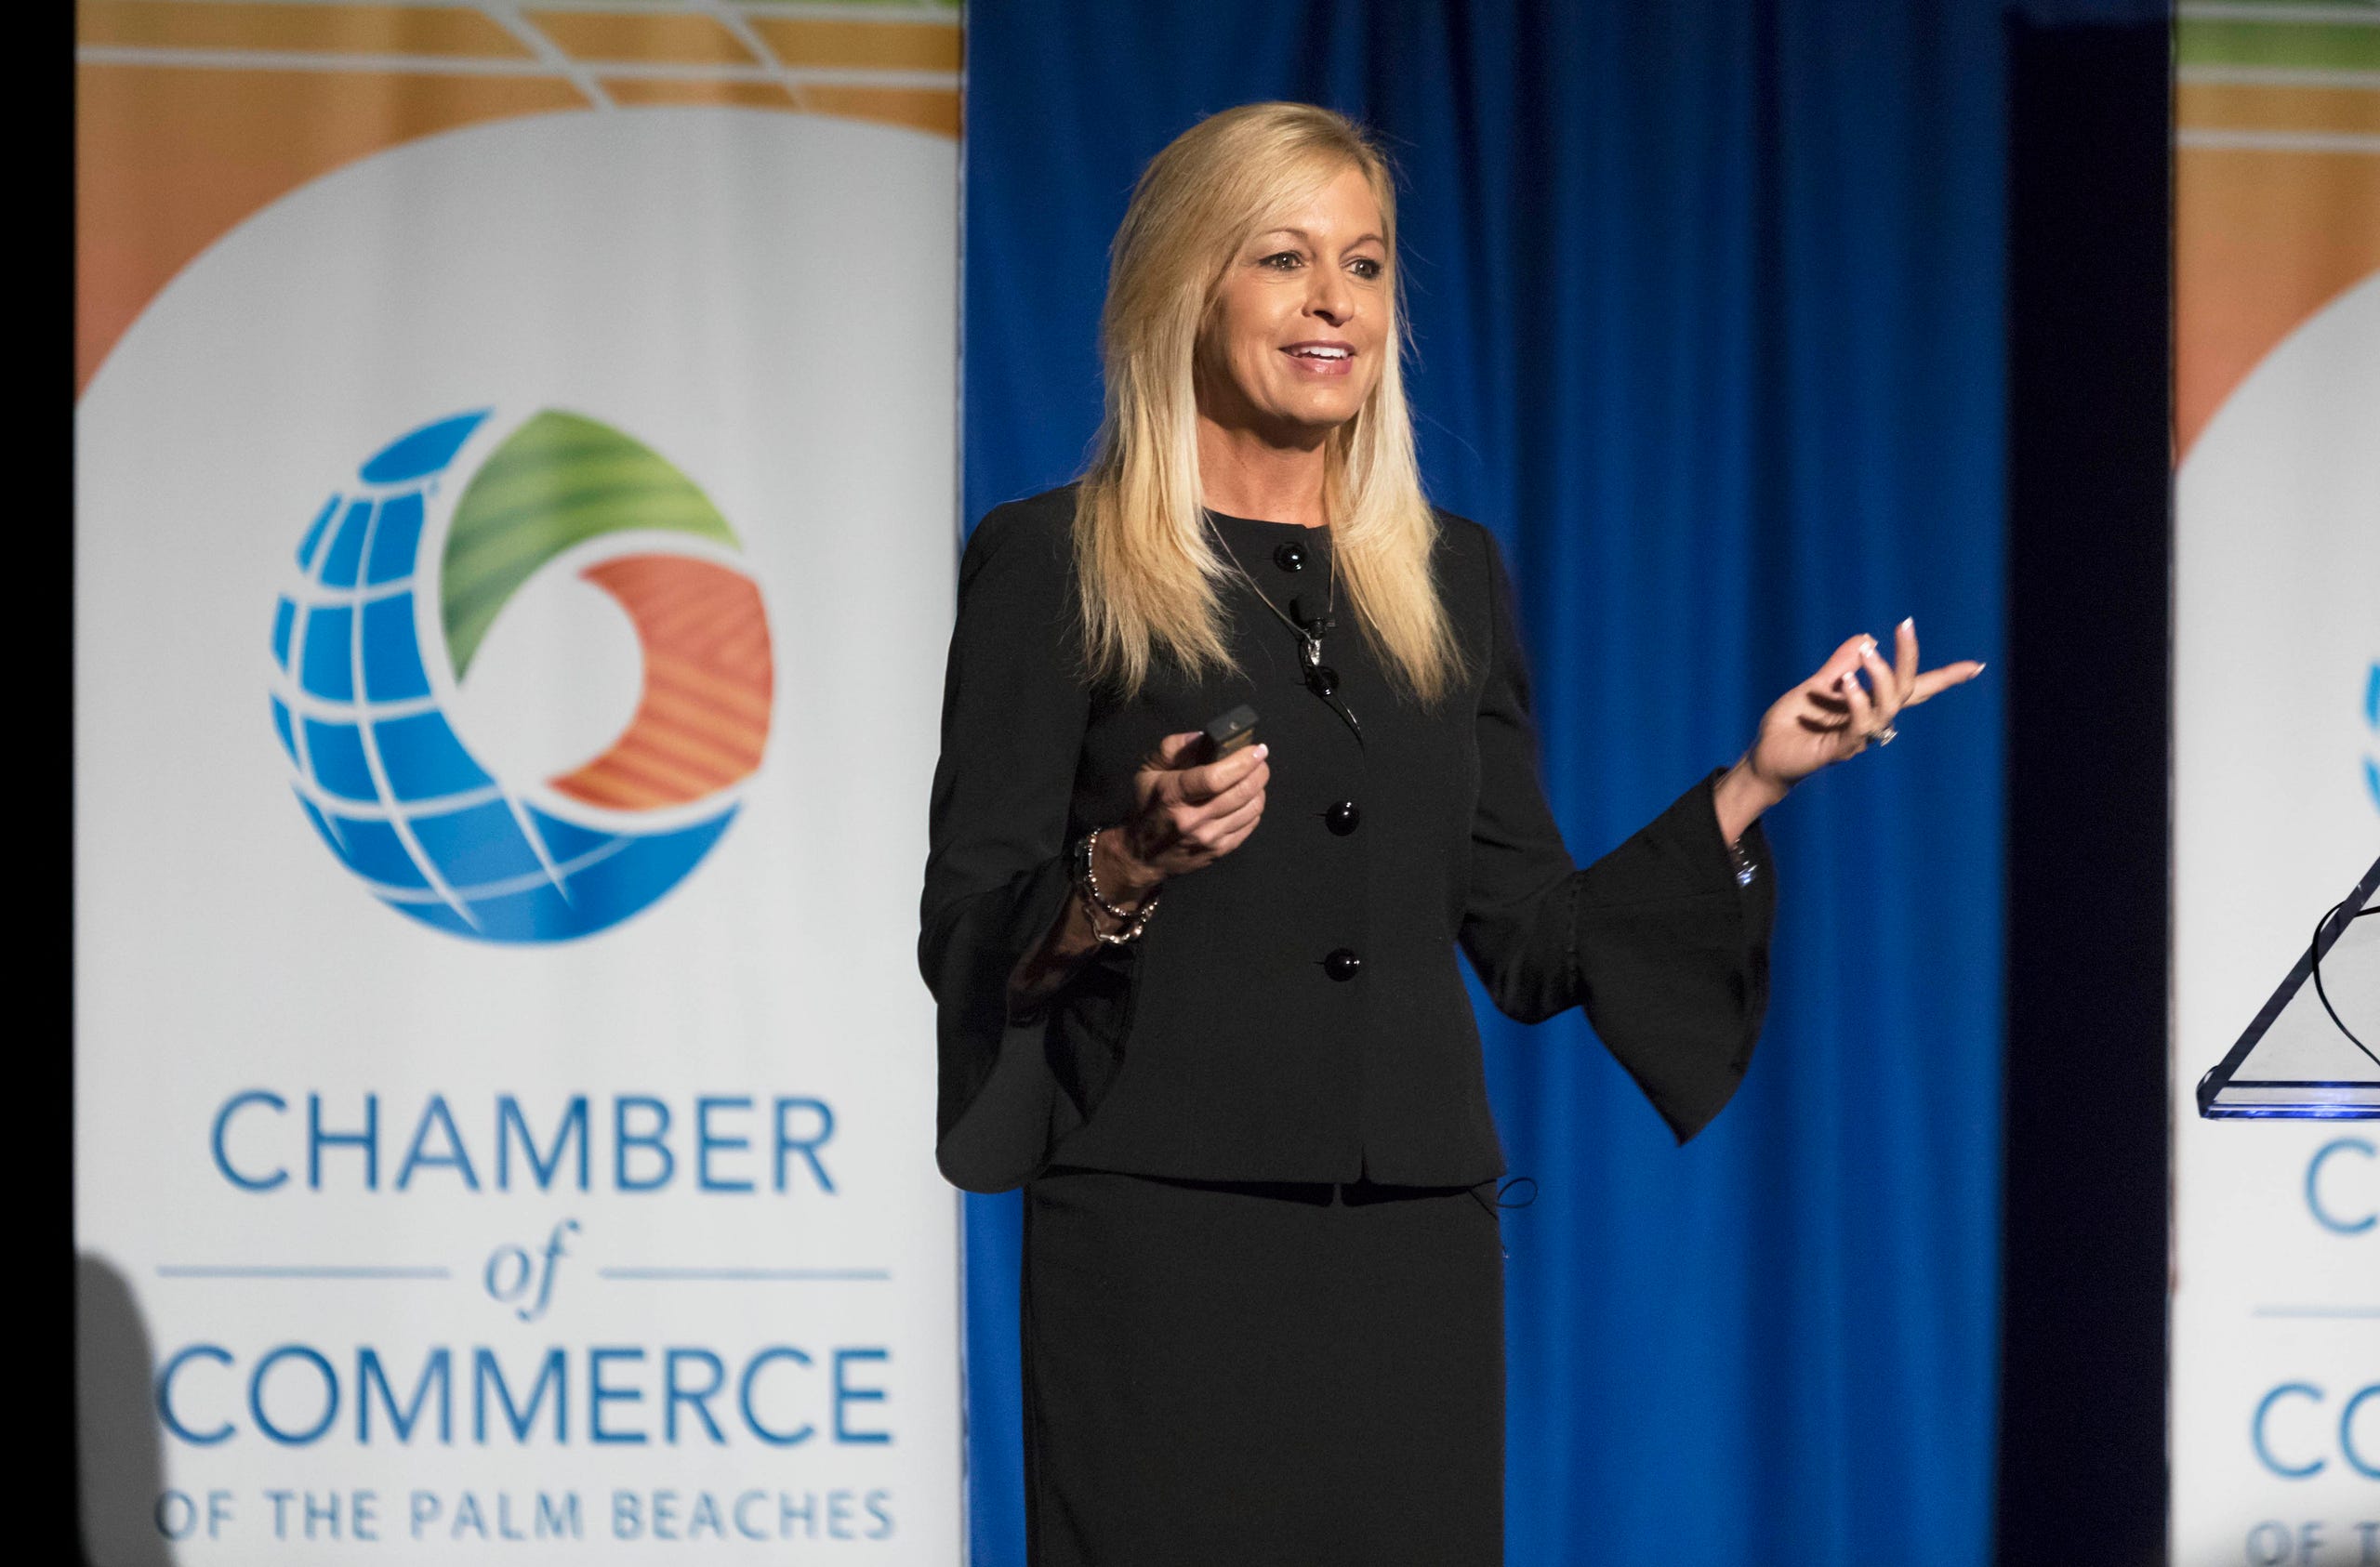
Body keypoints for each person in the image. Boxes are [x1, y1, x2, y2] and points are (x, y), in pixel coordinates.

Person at [919, 101, 1982, 1567]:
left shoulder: (1450, 577)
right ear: (1186, 288)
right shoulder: (1057, 561)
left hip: (1412, 1250)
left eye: (1362, 265)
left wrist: (1756, 779)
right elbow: (969, 926)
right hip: (1163, 1247)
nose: (1330, 302)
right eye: (1282, 258)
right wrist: (1122, 864)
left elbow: (1533, 938)